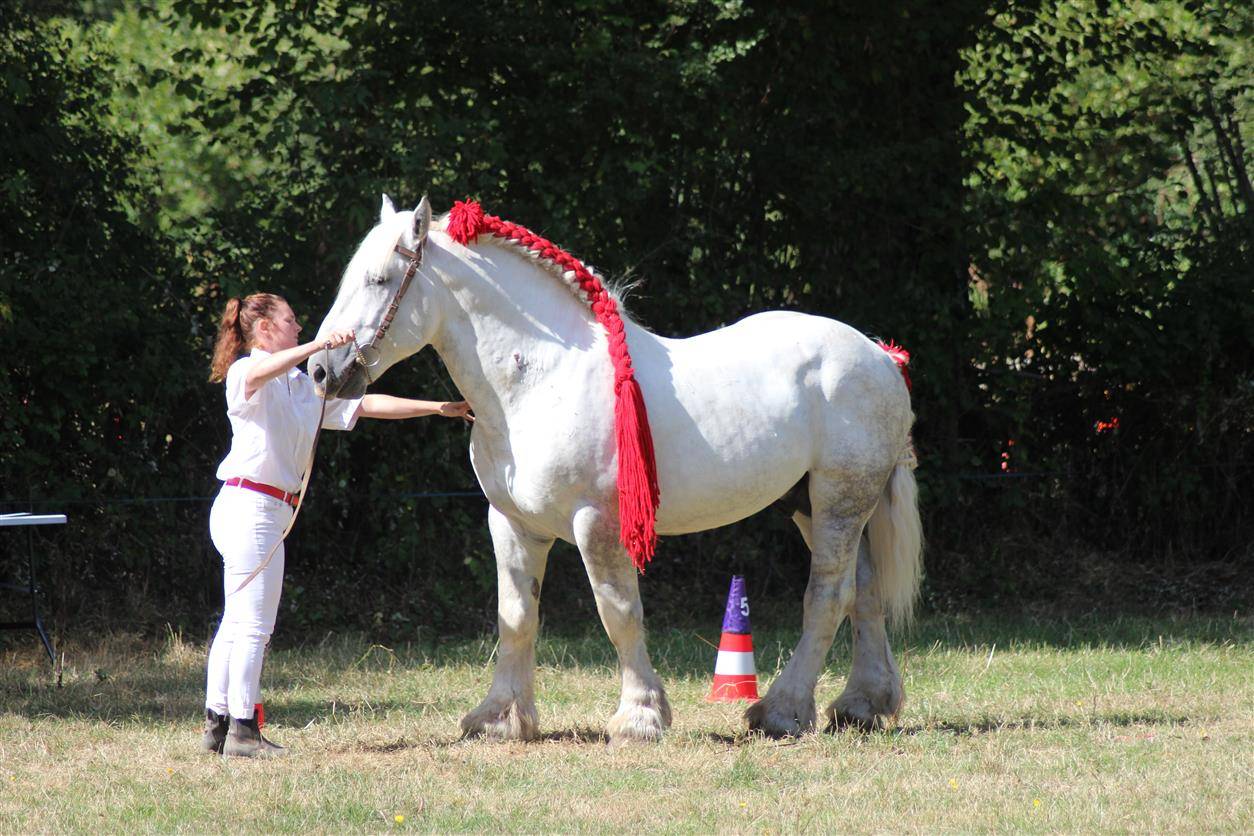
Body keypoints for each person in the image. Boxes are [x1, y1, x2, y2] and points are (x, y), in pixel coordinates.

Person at [203, 292, 472, 758]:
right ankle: (243, 732)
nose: (297, 328)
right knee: (253, 627)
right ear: (263, 329)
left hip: (263, 511)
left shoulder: (297, 386)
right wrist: (321, 345)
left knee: (238, 622)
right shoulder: (248, 372)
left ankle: (218, 721)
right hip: (251, 508)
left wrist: (436, 407)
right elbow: (265, 370)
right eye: (289, 321)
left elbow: (364, 406)